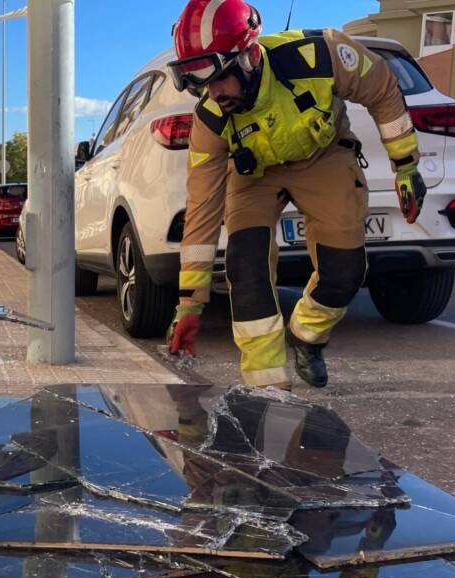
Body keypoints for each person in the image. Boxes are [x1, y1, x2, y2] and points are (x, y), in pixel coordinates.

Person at [165, 0, 426, 389]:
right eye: (202, 82)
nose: (213, 92)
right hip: (254, 177)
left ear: (251, 57)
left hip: (324, 155)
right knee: (245, 265)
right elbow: (202, 209)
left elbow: (382, 89)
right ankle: (266, 386)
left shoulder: (323, 55)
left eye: (220, 78)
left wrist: (405, 166)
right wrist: (190, 302)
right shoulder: (210, 121)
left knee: (344, 272)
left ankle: (307, 334)